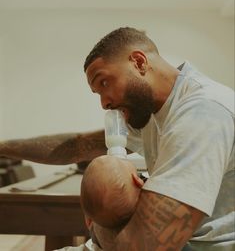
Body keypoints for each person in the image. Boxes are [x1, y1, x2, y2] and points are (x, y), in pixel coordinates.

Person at [0, 27, 234, 250]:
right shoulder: (155, 112)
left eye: (104, 82)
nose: (104, 103)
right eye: (98, 93)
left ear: (139, 62)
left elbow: (145, 245)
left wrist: (99, 222)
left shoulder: (201, 114)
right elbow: (77, 146)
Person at [80, 155, 144, 229]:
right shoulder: (143, 225)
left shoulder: (98, 235)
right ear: (136, 180)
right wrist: (144, 190)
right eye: (121, 162)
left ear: (88, 221)